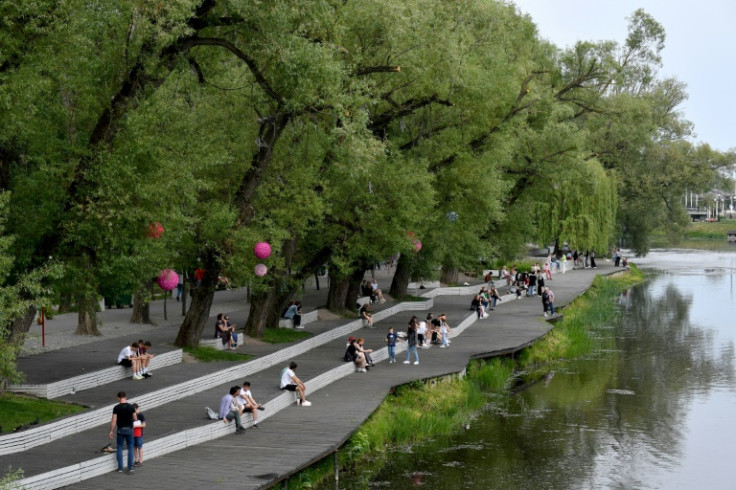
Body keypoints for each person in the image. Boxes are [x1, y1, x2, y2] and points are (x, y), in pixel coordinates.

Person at [109, 391, 137, 473]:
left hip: (120, 430)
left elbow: (113, 420)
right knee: (130, 447)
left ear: (118, 398)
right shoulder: (131, 407)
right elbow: (135, 418)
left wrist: (111, 431)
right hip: (129, 429)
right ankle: (130, 467)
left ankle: (120, 468)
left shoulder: (116, 407)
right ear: (126, 397)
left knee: (120, 447)